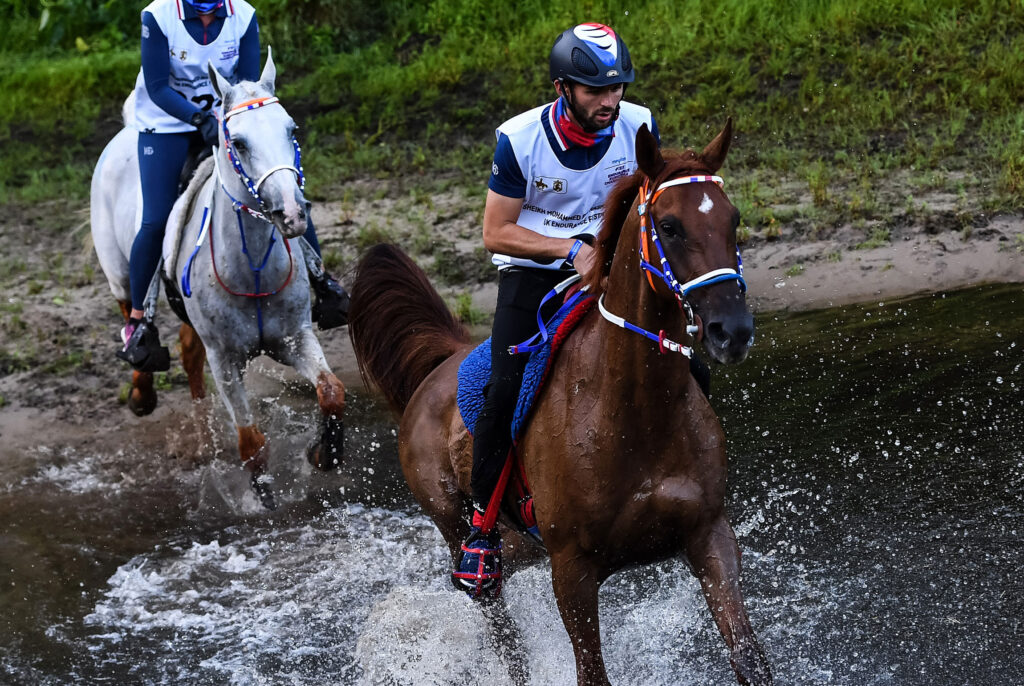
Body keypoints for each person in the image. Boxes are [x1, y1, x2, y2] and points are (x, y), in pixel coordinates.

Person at [453, 22, 661, 595]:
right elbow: (496, 232)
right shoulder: (519, 139)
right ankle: (482, 531)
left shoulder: (639, 126)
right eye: (595, 90)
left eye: (616, 88)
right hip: (534, 272)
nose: (609, 101)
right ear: (562, 87)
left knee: (685, 358)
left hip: (615, 267)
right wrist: (571, 251)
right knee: (502, 389)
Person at [118, 0, 348, 371]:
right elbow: (158, 87)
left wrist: (226, 121)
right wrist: (198, 118)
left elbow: (246, 84)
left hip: (228, 120)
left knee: (283, 193)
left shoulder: (243, 15)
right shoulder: (157, 15)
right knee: (156, 218)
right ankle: (139, 320)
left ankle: (322, 284)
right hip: (166, 126)